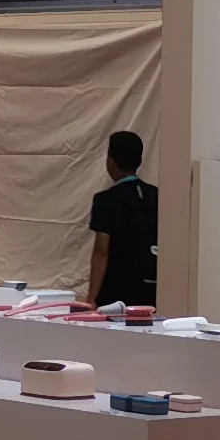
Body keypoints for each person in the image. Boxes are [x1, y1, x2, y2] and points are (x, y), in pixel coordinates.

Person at [83, 130, 160, 311]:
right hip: (152, 286)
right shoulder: (157, 194)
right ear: (139, 161)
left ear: (110, 162)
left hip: (117, 288)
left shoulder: (106, 199)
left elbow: (102, 250)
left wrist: (91, 298)